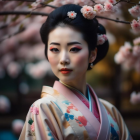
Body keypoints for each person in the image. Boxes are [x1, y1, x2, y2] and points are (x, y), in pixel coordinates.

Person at [19, 4, 132, 140]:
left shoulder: (110, 111)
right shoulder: (43, 108)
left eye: (74, 49)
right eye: (55, 49)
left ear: (92, 54)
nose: (64, 59)